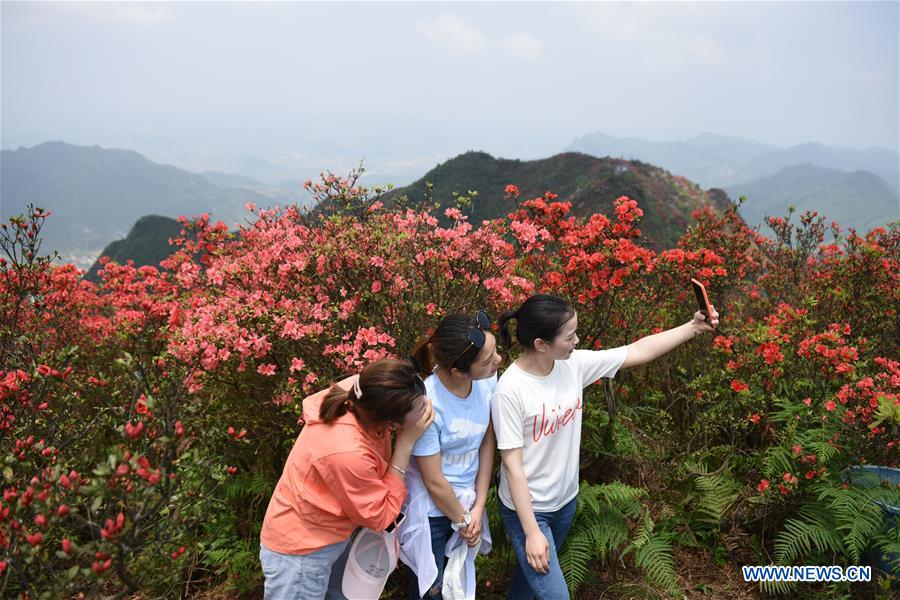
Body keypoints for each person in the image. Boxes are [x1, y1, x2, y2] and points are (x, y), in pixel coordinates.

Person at [492, 294, 719, 599]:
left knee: (527, 580)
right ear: (541, 344)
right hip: (529, 512)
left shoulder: (571, 365)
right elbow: (512, 466)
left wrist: (693, 327)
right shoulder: (510, 390)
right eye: (570, 336)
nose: (577, 340)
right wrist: (532, 532)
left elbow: (636, 351)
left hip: (565, 503)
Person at [259, 358, 435, 599]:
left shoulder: (361, 392)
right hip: (301, 553)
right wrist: (405, 444)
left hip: (331, 536)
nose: (426, 408)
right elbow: (381, 516)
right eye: (419, 409)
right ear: (390, 420)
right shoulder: (347, 451)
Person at [401, 311, 502, 599]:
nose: (498, 361)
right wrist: (462, 519)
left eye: (495, 352)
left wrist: (479, 506)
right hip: (433, 512)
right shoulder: (429, 404)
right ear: (459, 371)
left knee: (458, 583)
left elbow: (486, 442)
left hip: (468, 503)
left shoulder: (486, 382)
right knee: (430, 591)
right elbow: (433, 481)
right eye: (488, 360)